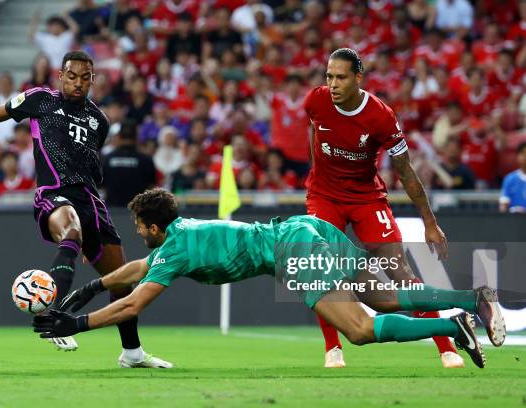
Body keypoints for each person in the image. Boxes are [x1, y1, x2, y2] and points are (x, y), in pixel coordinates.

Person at [34, 188, 506, 370]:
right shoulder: (179, 233)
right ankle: (471, 298)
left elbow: (133, 304)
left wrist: (76, 325)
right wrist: (90, 288)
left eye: (140, 228)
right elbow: (137, 271)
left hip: (291, 249)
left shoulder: (172, 250)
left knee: (359, 330)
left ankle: (453, 326)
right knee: (384, 300)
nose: (138, 235)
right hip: (304, 227)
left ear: (154, 227)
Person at [0, 50, 171, 368]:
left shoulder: (100, 120)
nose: (78, 83)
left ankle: (132, 353)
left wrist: (91, 232)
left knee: (121, 282)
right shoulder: (40, 99)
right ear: (61, 76)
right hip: (53, 193)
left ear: (93, 80)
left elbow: (89, 165)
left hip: (91, 202)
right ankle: (52, 313)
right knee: (70, 229)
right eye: (72, 76)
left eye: (85, 78)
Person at [303, 48, 461, 368]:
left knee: (400, 274)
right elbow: (315, 135)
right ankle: (332, 348)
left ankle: (447, 348)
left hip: (366, 199)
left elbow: (405, 171)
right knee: (318, 264)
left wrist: (429, 222)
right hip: (324, 197)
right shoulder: (315, 102)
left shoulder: (381, 116)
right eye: (329, 77)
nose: (332, 84)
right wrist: (318, 174)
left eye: (341, 78)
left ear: (358, 79)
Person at [102, 121, 156, 207]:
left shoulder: (106, 159)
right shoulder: (146, 160)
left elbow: (102, 186)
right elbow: (151, 187)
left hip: (113, 212)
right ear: (136, 138)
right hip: (137, 212)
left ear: (119, 137)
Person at [499, 142, 526, 213]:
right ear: (518, 156)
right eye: (523, 153)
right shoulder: (510, 179)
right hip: (514, 221)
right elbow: (503, 204)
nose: (525, 157)